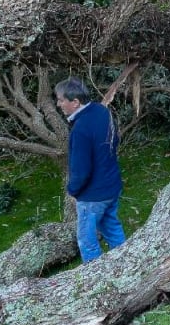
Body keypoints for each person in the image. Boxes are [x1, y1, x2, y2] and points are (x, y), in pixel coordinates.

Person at [54, 77, 127, 262]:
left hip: (93, 197)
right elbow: (115, 141)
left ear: (75, 102)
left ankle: (95, 281)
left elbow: (81, 170)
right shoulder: (102, 111)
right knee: (112, 228)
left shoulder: (80, 129)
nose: (58, 104)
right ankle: (126, 263)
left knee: (87, 241)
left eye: (61, 100)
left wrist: (72, 190)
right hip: (112, 186)